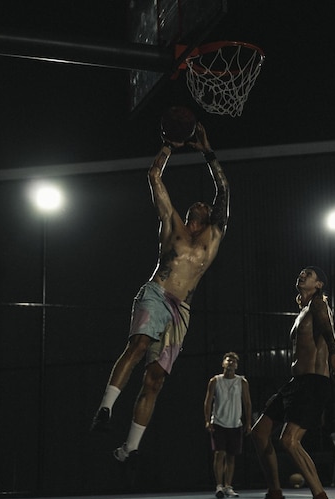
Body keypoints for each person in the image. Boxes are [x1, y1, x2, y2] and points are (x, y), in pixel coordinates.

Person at [90, 122, 230, 464]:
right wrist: (169, 145)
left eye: (205, 205)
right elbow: (154, 176)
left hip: (181, 311)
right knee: (137, 345)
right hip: (157, 292)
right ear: (189, 215)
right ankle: (105, 408)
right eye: (195, 206)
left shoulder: (213, 237)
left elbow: (224, 190)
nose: (201, 204)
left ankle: (131, 448)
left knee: (154, 381)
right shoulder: (172, 224)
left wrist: (208, 152)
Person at [248, 266, 335, 499]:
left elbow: (332, 337)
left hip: (314, 383)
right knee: (259, 432)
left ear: (319, 285)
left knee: (290, 441)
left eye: (309, 274)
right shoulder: (303, 311)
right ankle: (275, 497)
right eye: (301, 272)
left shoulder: (319, 305)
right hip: (296, 383)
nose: (302, 275)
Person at [204, 352, 252, 498]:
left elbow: (247, 403)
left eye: (233, 361)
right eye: (228, 360)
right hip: (218, 422)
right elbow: (207, 402)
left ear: (236, 365)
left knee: (231, 457)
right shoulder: (215, 381)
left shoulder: (242, 382)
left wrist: (248, 423)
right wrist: (207, 420)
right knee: (219, 454)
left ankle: (228, 486)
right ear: (223, 363)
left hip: (235, 423)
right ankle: (219, 486)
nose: (230, 362)